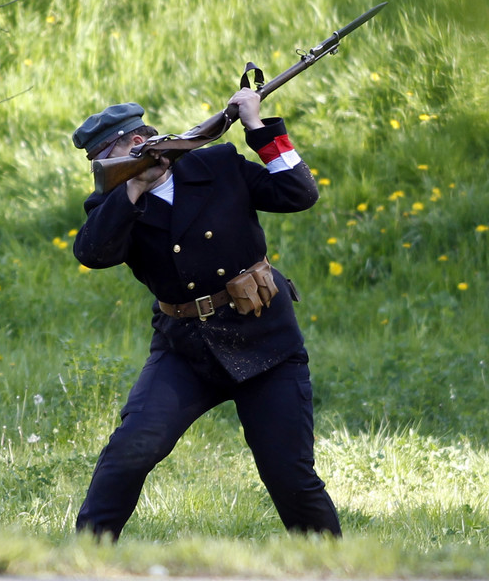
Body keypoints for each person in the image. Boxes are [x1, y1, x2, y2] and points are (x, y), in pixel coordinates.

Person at [70, 90, 342, 541]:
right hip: (187, 349)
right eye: (97, 161)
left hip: (266, 341)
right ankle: (83, 558)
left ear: (138, 140)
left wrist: (258, 127)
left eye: (107, 155)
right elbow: (93, 253)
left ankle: (335, 568)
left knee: (289, 476)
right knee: (131, 450)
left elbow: (299, 192)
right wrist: (135, 186)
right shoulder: (115, 204)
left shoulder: (218, 164)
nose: (102, 168)